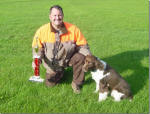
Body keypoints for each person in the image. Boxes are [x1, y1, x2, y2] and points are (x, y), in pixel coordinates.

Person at [32, 5, 91, 94]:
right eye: (54, 15)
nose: (57, 18)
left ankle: (77, 83)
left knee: (80, 57)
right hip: (53, 64)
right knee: (50, 84)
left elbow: (83, 46)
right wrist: (37, 59)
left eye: (59, 15)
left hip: (68, 58)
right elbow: (38, 49)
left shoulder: (73, 29)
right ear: (50, 17)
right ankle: (59, 72)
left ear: (63, 16)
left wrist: (89, 57)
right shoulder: (42, 31)